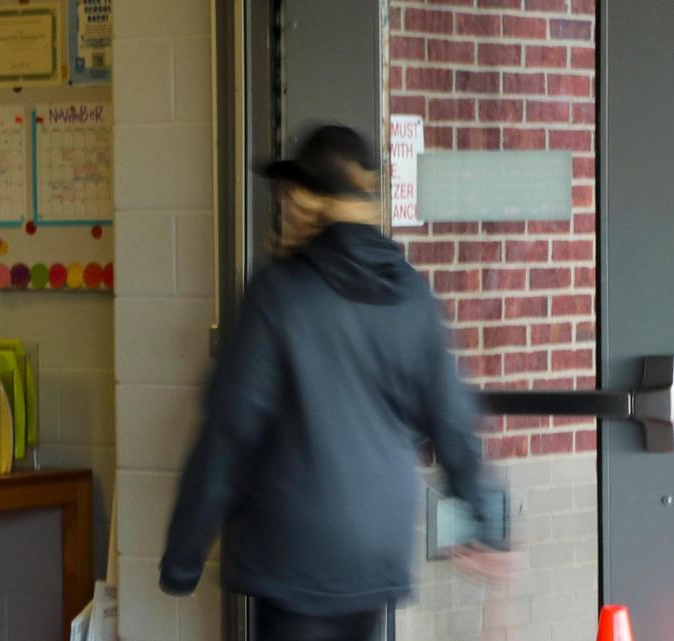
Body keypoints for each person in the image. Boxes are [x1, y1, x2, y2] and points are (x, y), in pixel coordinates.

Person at [158, 125, 507, 641]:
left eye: (284, 195)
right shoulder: (410, 294)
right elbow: (452, 418)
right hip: (378, 546)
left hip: (298, 555)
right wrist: (486, 518)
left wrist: (183, 556)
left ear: (302, 201)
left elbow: (230, 433)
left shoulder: (280, 294)